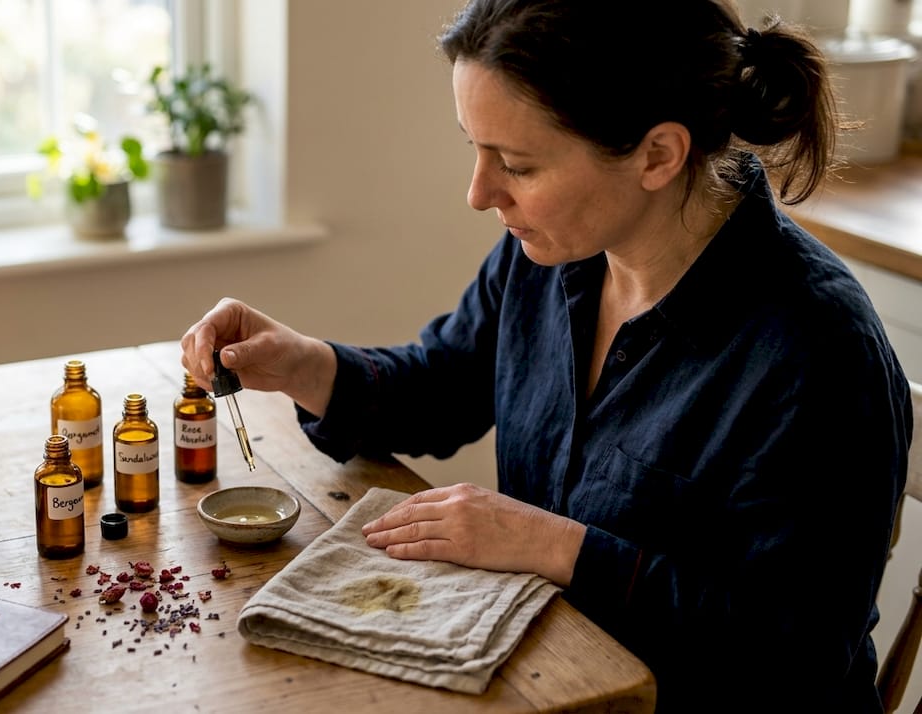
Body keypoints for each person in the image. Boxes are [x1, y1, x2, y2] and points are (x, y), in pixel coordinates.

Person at [182, 0, 913, 711]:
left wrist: (559, 547)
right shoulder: (552, 257)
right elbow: (444, 384)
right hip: (550, 680)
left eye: (517, 165)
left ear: (658, 154)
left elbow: (794, 657)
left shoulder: (817, 350)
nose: (479, 193)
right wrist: (302, 364)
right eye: (475, 147)